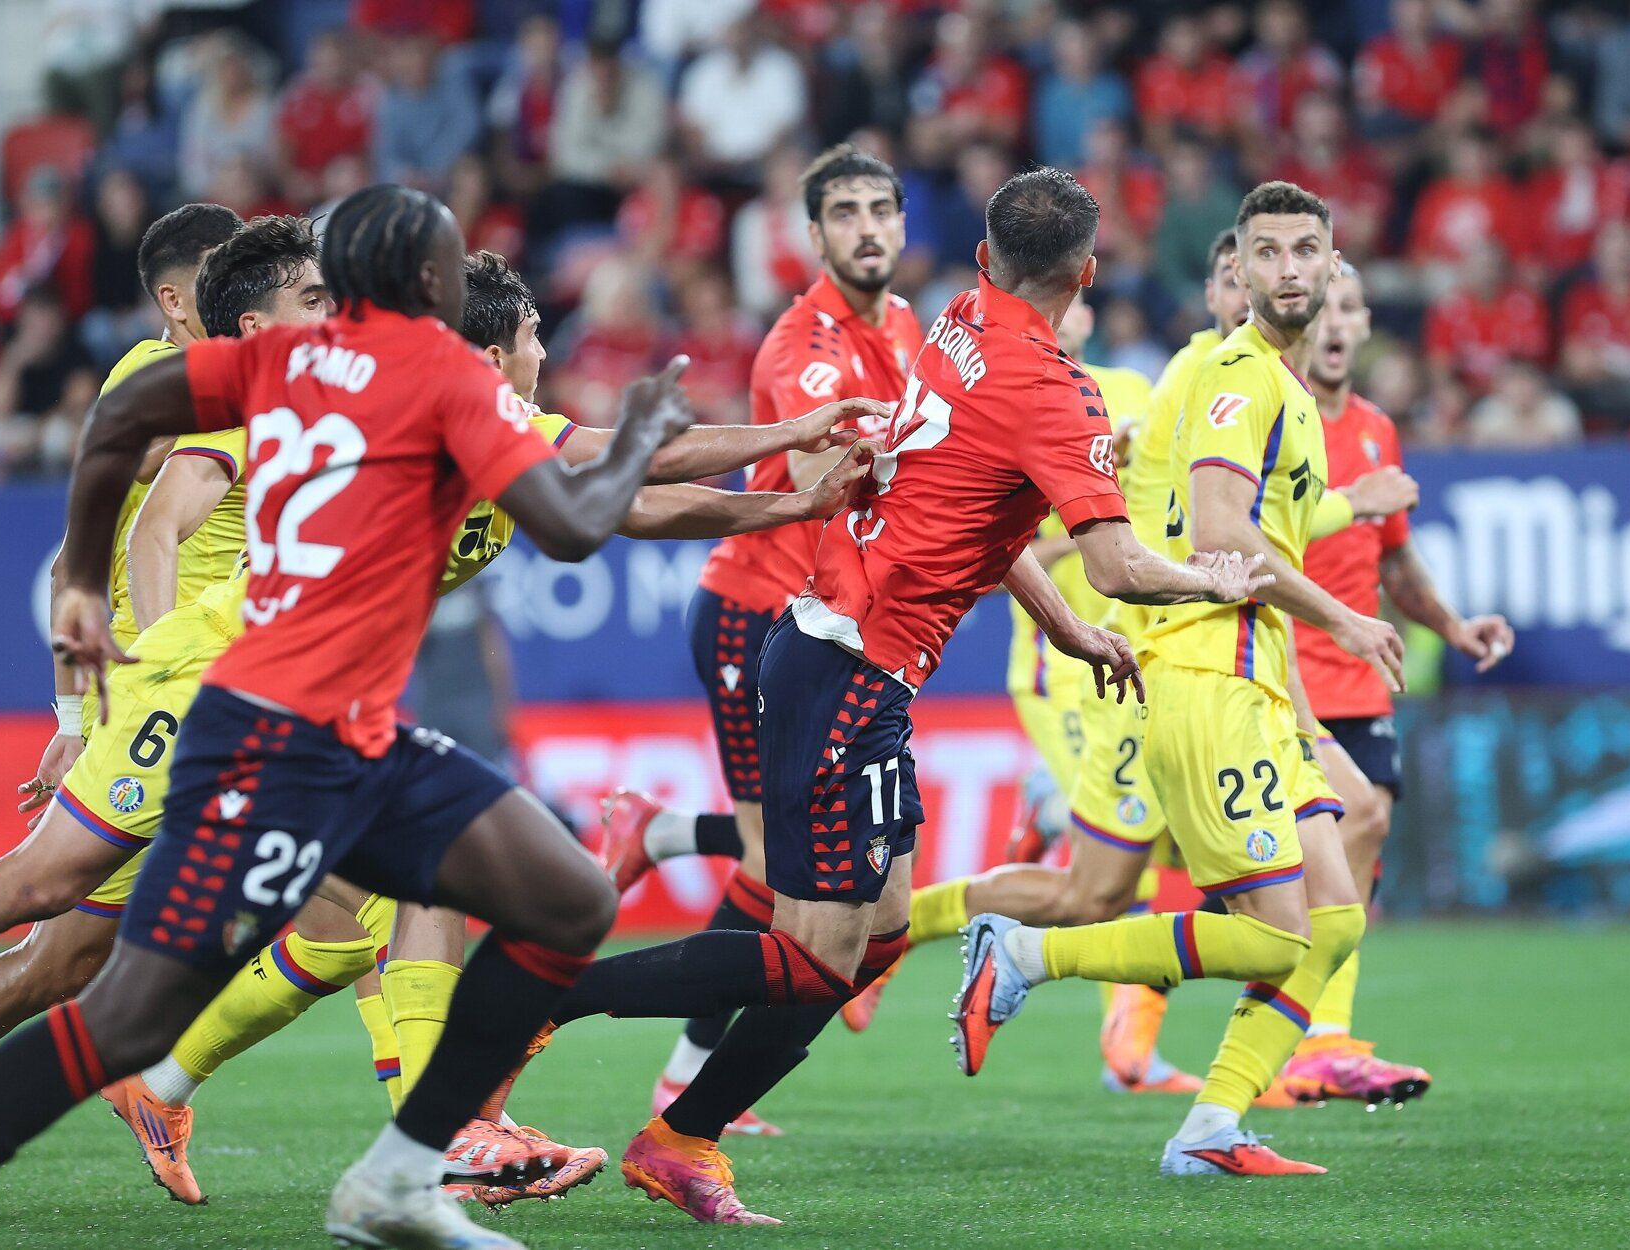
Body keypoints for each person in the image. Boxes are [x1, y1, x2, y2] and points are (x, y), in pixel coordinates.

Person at [0, 184, 694, 1250]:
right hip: (227, 703)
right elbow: (579, 514)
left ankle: (413, 1155)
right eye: (448, 266)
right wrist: (103, 677)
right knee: (73, 940)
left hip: (338, 722)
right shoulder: (362, 375)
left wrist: (774, 476)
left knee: (533, 896)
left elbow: (122, 432)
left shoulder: (319, 371)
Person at [537, 167, 1267, 1225]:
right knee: (812, 952)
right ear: (1089, 271)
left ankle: (678, 1133)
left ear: (983, 260)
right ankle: (556, 1006)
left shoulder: (958, 324)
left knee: (871, 933)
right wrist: (1213, 573)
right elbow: (1111, 560)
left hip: (825, 652)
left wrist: (1065, 628)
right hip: (846, 673)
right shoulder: (1051, 392)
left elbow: (975, 508)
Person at [94, 247, 880, 1208]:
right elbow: (648, 459)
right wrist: (797, 433)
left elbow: (633, 502)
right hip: (245, 682)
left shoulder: (492, 423)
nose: (546, 349)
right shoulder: (440, 412)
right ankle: (446, 1137)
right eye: (536, 335)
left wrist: (791, 502)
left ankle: (177, 1085)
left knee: (347, 933)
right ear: (495, 354)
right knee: (436, 884)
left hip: (309, 691)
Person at [0, 207, 336, 1205]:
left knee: (59, 957)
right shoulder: (166, 383)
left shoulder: (271, 391)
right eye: (239, 279)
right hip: (175, 690)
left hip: (228, 684)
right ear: (183, 298)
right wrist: (90, 708)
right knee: (36, 888)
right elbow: (125, 532)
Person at [957, 181, 1407, 1179]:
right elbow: (1220, 538)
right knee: (1266, 938)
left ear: (1332, 271)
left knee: (1332, 918)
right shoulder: (1239, 378)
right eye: (1269, 251)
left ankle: (1210, 1128)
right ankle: (1025, 954)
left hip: (1262, 680)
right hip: (1209, 672)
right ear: (1235, 271)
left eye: (1307, 252)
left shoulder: (1272, 385)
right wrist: (1343, 613)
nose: (1289, 269)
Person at [597, 145, 922, 1134]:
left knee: (800, 879)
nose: (867, 227)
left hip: (833, 633)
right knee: (770, 870)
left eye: (881, 209)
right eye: (845, 213)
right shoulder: (801, 347)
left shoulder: (906, 324)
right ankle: (674, 1081)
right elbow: (861, 470)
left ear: (902, 224)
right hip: (757, 612)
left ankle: (653, 835)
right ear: (812, 234)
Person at [1277, 261, 1513, 1103]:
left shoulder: (1377, 426)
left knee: (1357, 850)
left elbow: (1394, 555)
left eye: (1351, 309)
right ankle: (1292, 1038)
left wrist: (1451, 626)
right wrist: (1352, 496)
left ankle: (1319, 1041)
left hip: (1359, 678)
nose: (1337, 326)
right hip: (1279, 675)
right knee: (1278, 872)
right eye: (1324, 310)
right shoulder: (1274, 414)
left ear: (1367, 323)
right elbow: (1245, 535)